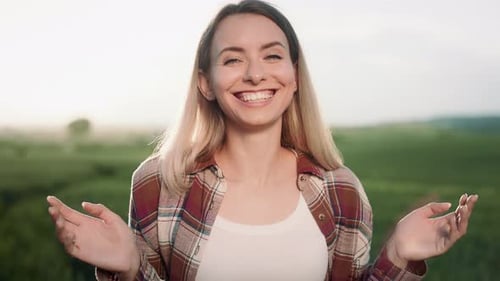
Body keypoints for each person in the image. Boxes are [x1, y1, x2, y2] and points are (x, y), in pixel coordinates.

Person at [46, 1, 479, 280]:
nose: (255, 74)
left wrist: (400, 255)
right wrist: (129, 269)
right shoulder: (158, 183)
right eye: (233, 59)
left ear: (293, 77)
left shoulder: (341, 190)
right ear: (206, 83)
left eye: (272, 55)